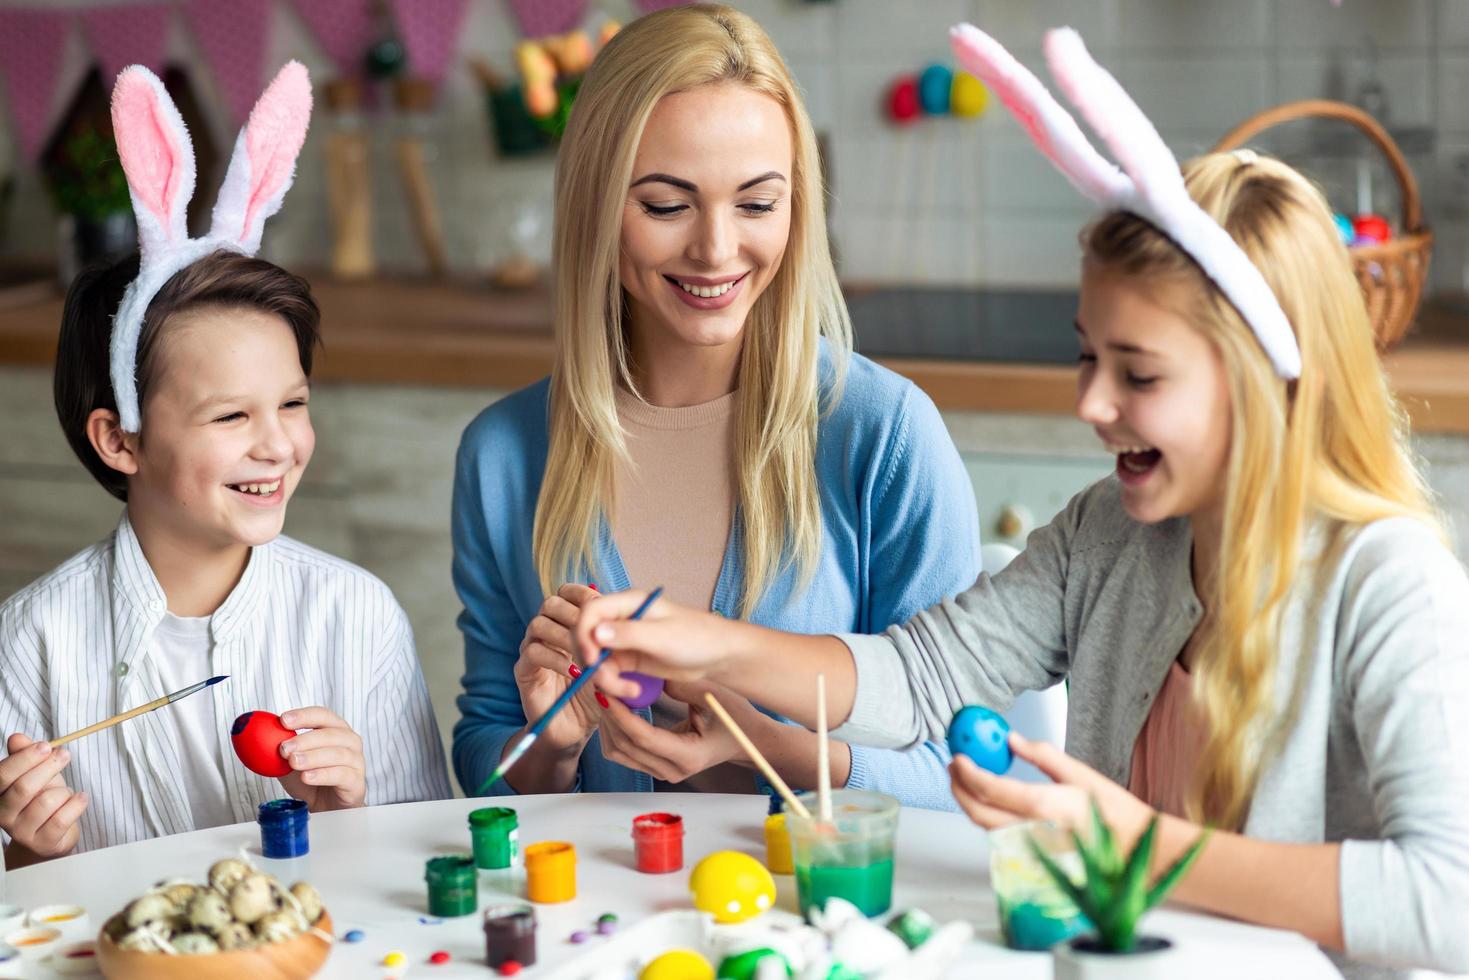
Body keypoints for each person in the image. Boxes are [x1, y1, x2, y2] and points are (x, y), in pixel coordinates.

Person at [572, 26, 1469, 979]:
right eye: (1088, 355)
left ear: (1262, 383)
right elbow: (917, 680)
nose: (1091, 403)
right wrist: (696, 638)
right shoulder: (1110, 537)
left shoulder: (1387, 581)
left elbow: (1446, 902)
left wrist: (1134, 846)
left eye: (1140, 374)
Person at [451, 4, 979, 806]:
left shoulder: (883, 434)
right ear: (595, 204)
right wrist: (549, 745)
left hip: (822, 920)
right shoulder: (503, 454)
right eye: (666, 205)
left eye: (757, 204)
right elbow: (486, 751)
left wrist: (780, 752)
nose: (716, 248)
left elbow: (971, 769)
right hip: (605, 923)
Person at [0, 64, 448, 868]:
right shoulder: (28, 642)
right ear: (119, 440)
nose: (277, 444)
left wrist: (353, 813)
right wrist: (32, 858)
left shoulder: (357, 616)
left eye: (293, 404)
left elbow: (425, 883)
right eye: (231, 415)